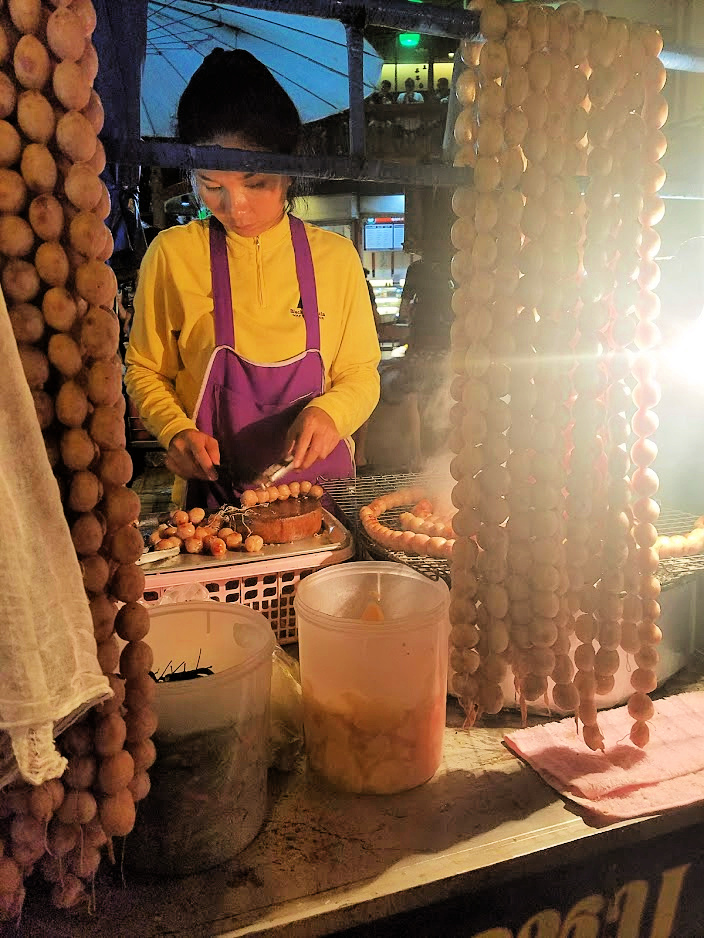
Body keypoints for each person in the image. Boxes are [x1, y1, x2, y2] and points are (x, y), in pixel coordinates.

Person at [125, 49, 381, 507]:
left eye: (255, 183)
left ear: (289, 169)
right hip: (217, 516)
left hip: (328, 510)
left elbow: (361, 373)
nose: (235, 207)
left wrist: (330, 411)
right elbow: (145, 369)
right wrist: (175, 429)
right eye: (212, 185)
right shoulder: (172, 255)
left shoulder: (336, 258)